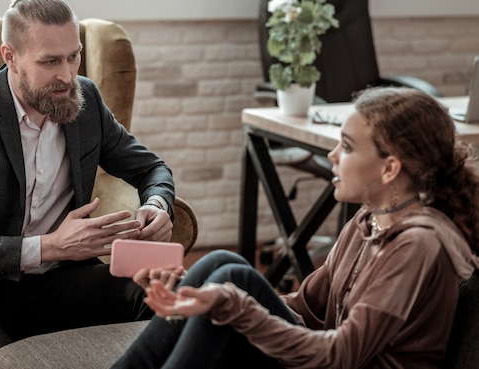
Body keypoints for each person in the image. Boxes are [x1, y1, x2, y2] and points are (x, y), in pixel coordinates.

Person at [0, 0, 176, 369]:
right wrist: (49, 246)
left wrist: (157, 205)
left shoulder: (86, 101)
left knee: (162, 295)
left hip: (59, 283)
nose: (66, 76)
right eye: (50, 62)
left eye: (73, 56)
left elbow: (150, 168)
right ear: (10, 57)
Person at [110, 87, 479, 369]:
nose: (332, 156)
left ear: (389, 169)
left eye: (347, 148)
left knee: (231, 290)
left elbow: (341, 355)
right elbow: (306, 308)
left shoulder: (417, 247)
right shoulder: (368, 219)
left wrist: (233, 305)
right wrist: (198, 291)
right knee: (223, 269)